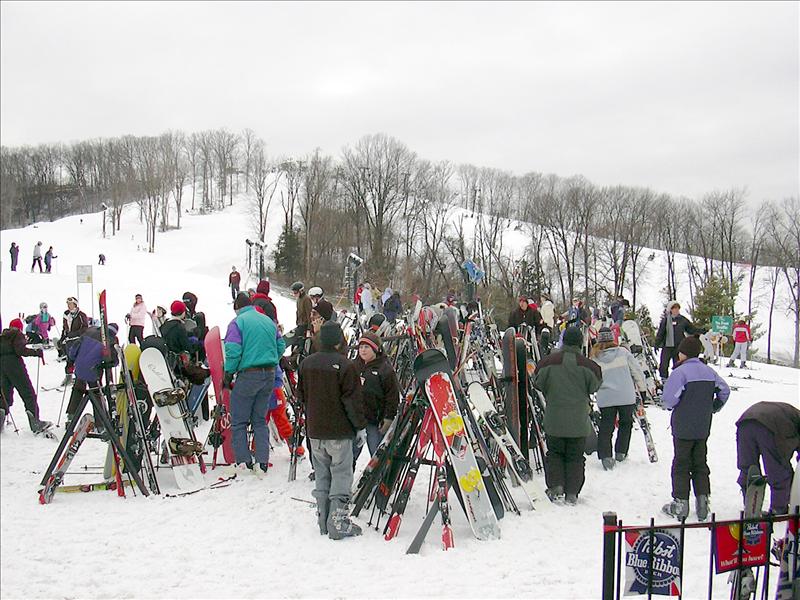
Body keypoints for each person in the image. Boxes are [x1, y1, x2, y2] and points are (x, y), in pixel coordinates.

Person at [297, 321, 366, 539]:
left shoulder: (306, 364)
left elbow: (301, 396)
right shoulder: (346, 366)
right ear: (339, 341)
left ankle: (323, 518)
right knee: (341, 474)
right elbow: (352, 401)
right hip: (339, 430)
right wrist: (360, 427)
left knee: (322, 473)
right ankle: (338, 522)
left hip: (315, 430)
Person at [661, 336, 729, 521]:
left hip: (683, 426)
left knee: (681, 463)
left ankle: (680, 503)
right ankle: (702, 502)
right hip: (703, 425)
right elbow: (724, 390)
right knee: (700, 462)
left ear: (684, 353)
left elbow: (669, 400)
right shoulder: (709, 372)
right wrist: (714, 406)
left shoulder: (680, 373)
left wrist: (670, 405)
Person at [533, 326, 602, 505]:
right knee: (576, 457)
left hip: (554, 418)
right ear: (580, 342)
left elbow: (537, 382)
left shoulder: (547, 363)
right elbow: (595, 386)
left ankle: (556, 485)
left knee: (555, 454)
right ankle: (572, 492)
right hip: (578, 421)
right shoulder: (589, 366)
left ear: (563, 341)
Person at [223, 292, 285, 474]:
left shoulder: (237, 323)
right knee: (259, 420)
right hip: (269, 374)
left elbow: (233, 350)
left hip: (249, 374)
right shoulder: (268, 321)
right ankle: (262, 462)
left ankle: (243, 461)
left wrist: (229, 373)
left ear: (237, 308)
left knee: (239, 420)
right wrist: (271, 359)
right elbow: (281, 346)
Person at [591, 327, 651, 470]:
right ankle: (621, 452)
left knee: (606, 426)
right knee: (626, 423)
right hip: (625, 395)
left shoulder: (594, 358)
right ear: (613, 339)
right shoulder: (624, 353)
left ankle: (606, 456)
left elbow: (592, 379)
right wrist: (643, 390)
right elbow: (637, 371)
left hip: (606, 397)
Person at [735, 402, 800, 515]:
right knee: (778, 470)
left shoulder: (791, 413)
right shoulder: (794, 419)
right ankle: (779, 508)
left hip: (745, 422)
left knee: (749, 469)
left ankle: (750, 505)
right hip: (770, 426)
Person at [352, 332, 400, 460]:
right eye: (361, 347)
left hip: (375, 422)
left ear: (375, 349)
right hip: (355, 420)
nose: (363, 350)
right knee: (349, 457)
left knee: (377, 456)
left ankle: (381, 473)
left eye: (366, 347)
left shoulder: (385, 369)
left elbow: (392, 396)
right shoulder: (353, 366)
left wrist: (388, 418)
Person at [65, 323, 120, 428]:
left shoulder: (90, 331)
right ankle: (100, 424)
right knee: (96, 394)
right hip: (94, 370)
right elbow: (113, 360)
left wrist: (71, 361)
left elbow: (75, 348)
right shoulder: (110, 340)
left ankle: (71, 417)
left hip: (80, 367)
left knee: (77, 390)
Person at [0, 319, 50, 433]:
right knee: (28, 393)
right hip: (15, 365)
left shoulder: (3, 337)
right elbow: (21, 350)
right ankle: (35, 423)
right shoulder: (17, 334)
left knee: (4, 395)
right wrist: (36, 352)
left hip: (2, 366)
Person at [654, 301, 704, 379]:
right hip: (667, 346)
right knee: (664, 364)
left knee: (678, 365)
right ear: (670, 310)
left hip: (679, 347)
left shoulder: (683, 320)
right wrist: (656, 344)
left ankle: (678, 379)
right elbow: (661, 333)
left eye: (677, 308)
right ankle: (664, 379)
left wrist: (701, 331)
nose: (676, 310)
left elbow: (691, 329)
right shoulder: (665, 320)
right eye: (674, 308)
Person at [57, 297, 89, 387]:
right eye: (67, 304)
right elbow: (65, 328)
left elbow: (85, 328)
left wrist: (74, 334)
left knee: (79, 360)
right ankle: (68, 377)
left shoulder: (81, 315)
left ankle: (81, 378)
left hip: (79, 340)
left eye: (70, 304)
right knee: (69, 360)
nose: (69, 306)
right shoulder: (66, 314)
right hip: (69, 341)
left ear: (75, 304)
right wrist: (62, 339)